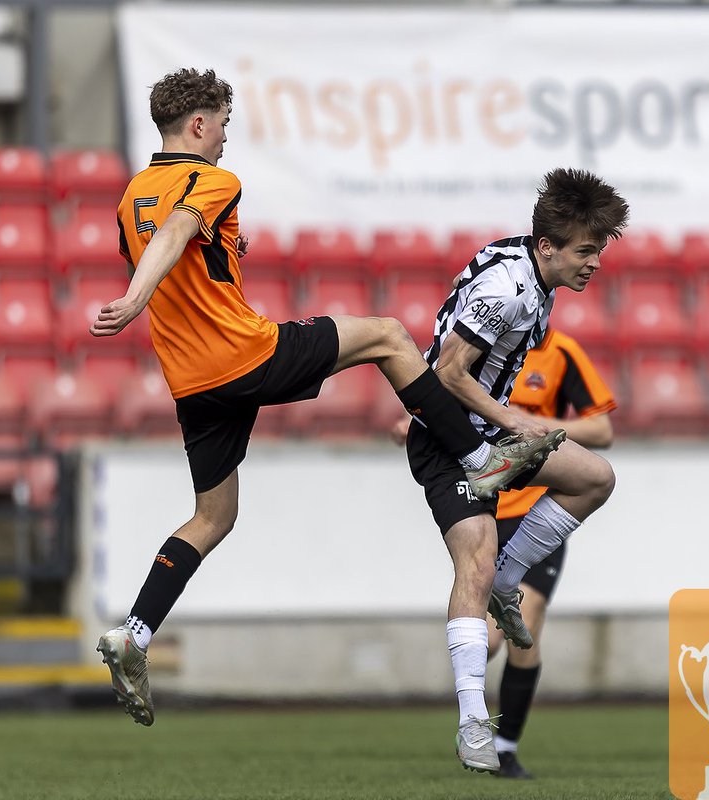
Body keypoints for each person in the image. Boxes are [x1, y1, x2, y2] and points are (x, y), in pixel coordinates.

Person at [91, 67, 565, 728]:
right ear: (198, 124)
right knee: (389, 337)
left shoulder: (130, 195)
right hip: (242, 356)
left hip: (192, 382)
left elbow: (170, 248)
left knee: (213, 516)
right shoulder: (213, 179)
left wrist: (220, 250)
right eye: (223, 123)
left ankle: (135, 633)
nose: (227, 137)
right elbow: (173, 236)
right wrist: (133, 300)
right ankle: (478, 457)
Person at [403, 167, 628, 774]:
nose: (596, 262)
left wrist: (509, 425)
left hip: (493, 434)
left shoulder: (533, 269)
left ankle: (511, 576)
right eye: (587, 250)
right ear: (549, 246)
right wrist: (517, 419)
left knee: (595, 478)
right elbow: (447, 373)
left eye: (601, 248)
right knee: (472, 565)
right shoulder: (508, 288)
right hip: (448, 440)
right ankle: (475, 721)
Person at [391, 326, 617, 779]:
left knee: (526, 623)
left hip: (537, 509)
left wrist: (535, 426)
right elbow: (441, 390)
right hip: (491, 503)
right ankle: (477, 717)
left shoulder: (561, 352)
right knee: (493, 637)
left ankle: (506, 747)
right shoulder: (480, 348)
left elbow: (603, 428)